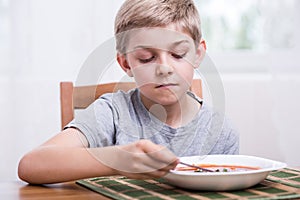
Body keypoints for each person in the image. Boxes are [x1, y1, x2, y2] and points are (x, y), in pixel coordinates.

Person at [18, 0, 239, 184]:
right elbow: (31, 165)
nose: (164, 68)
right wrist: (118, 159)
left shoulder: (221, 132)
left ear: (198, 54)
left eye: (178, 54)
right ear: (126, 64)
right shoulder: (112, 112)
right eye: (146, 58)